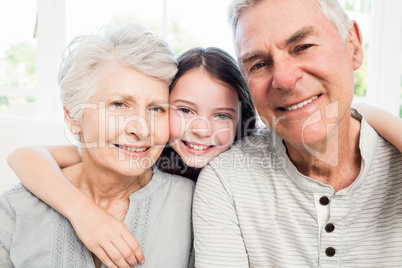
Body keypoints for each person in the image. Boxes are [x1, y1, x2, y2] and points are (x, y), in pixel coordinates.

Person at [193, 0, 402, 267]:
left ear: (353, 45)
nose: (284, 79)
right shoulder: (226, 182)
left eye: (303, 47)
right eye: (258, 64)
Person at [6, 46, 258, 267]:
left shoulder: (229, 179)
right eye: (183, 110)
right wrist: (83, 212)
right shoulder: (145, 154)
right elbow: (25, 155)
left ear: (240, 122)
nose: (201, 129)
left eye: (222, 115)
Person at [0, 24, 195, 268]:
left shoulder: (191, 204)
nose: (141, 129)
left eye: (156, 108)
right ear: (72, 117)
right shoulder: (15, 208)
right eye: (119, 104)